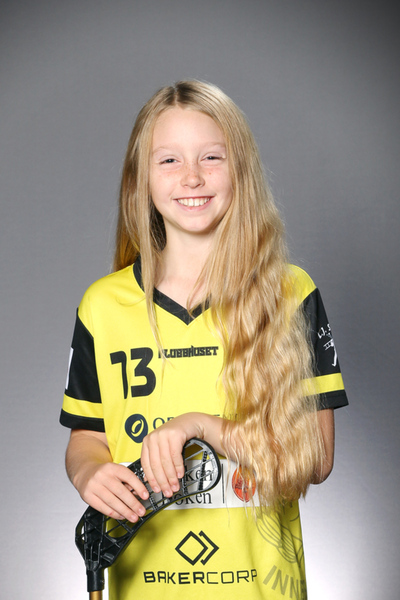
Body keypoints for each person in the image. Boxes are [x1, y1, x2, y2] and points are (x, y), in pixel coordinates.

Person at [60, 80, 348, 599]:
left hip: (260, 588)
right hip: (141, 585)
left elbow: (318, 457)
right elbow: (87, 437)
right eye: (169, 160)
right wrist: (89, 475)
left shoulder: (290, 293)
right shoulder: (102, 305)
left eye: (212, 157)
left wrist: (199, 426)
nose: (192, 176)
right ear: (141, 180)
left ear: (241, 170)